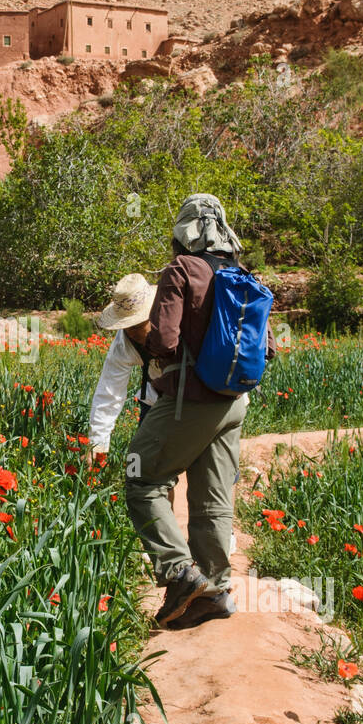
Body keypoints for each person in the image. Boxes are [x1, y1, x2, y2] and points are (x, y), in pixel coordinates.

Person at [126, 194, 275, 630]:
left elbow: (166, 341)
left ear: (183, 232)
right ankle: (216, 591)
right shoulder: (242, 274)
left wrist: (151, 344)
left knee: (142, 477)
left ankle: (178, 573)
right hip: (234, 404)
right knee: (212, 498)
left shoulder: (181, 270)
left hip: (188, 401)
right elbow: (267, 348)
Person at [88, 273, 161, 467]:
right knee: (143, 474)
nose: (130, 332)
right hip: (155, 402)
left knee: (211, 480)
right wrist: (98, 443)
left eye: (136, 325)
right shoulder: (125, 340)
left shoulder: (185, 324)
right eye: (125, 326)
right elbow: (109, 391)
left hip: (198, 403)